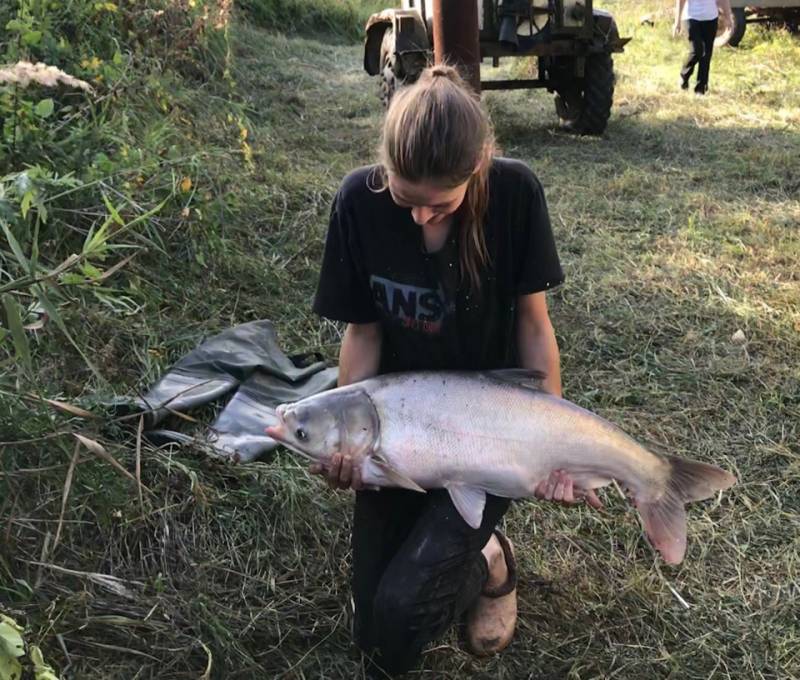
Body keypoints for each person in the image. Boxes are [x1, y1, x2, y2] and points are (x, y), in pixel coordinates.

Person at [310, 64, 600, 676]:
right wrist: (344, 434)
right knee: (374, 634)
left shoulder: (516, 194)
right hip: (400, 423)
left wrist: (552, 441)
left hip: (488, 430)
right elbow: (361, 333)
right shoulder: (357, 203)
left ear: (479, 166)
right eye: (403, 199)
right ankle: (476, 546)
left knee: (401, 616)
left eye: (438, 205)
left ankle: (492, 561)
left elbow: (533, 325)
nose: (419, 218)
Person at [673, 0, 734, 94]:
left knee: (706, 54)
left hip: (710, 19)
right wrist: (677, 22)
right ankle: (684, 75)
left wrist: (728, 17)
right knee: (697, 50)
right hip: (691, 17)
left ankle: (700, 89)